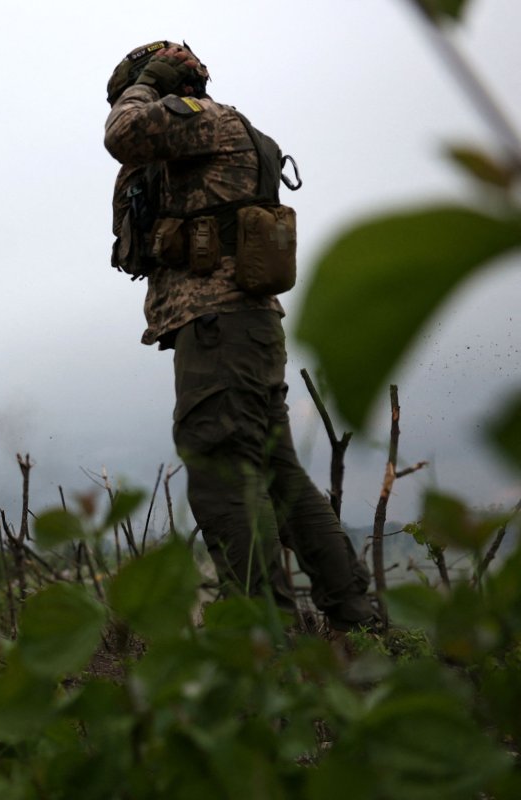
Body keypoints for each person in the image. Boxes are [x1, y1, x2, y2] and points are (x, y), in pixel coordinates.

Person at [103, 41, 378, 631]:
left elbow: (123, 133)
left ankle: (261, 638)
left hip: (220, 325)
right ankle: (354, 614)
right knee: (276, 473)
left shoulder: (204, 121)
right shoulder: (215, 132)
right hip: (238, 328)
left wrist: (144, 86)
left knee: (219, 466)